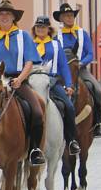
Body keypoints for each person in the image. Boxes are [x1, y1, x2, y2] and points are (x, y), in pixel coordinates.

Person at [0, 0, 46, 166]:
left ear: (14, 17)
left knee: (37, 111)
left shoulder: (23, 37)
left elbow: (30, 61)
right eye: (1, 14)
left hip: (18, 80)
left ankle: (34, 150)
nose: (4, 16)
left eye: (8, 14)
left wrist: (20, 79)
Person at [32, 16, 81, 155]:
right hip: (33, 80)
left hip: (52, 81)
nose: (40, 29)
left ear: (49, 29)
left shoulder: (55, 45)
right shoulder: (30, 44)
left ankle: (71, 140)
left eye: (43, 27)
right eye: (38, 27)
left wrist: (69, 84)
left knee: (69, 106)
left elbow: (64, 66)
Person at [54, 3, 101, 134]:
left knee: (98, 90)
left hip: (81, 70)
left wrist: (82, 63)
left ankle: (97, 122)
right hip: (63, 73)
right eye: (66, 16)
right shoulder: (56, 37)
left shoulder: (83, 34)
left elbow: (90, 53)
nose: (69, 18)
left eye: (71, 15)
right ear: (61, 19)